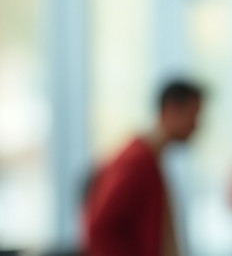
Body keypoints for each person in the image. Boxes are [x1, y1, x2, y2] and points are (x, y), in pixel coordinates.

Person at [83, 79, 203, 256]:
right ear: (171, 110)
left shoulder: (152, 158)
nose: (197, 126)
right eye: (194, 115)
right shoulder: (136, 161)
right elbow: (99, 226)